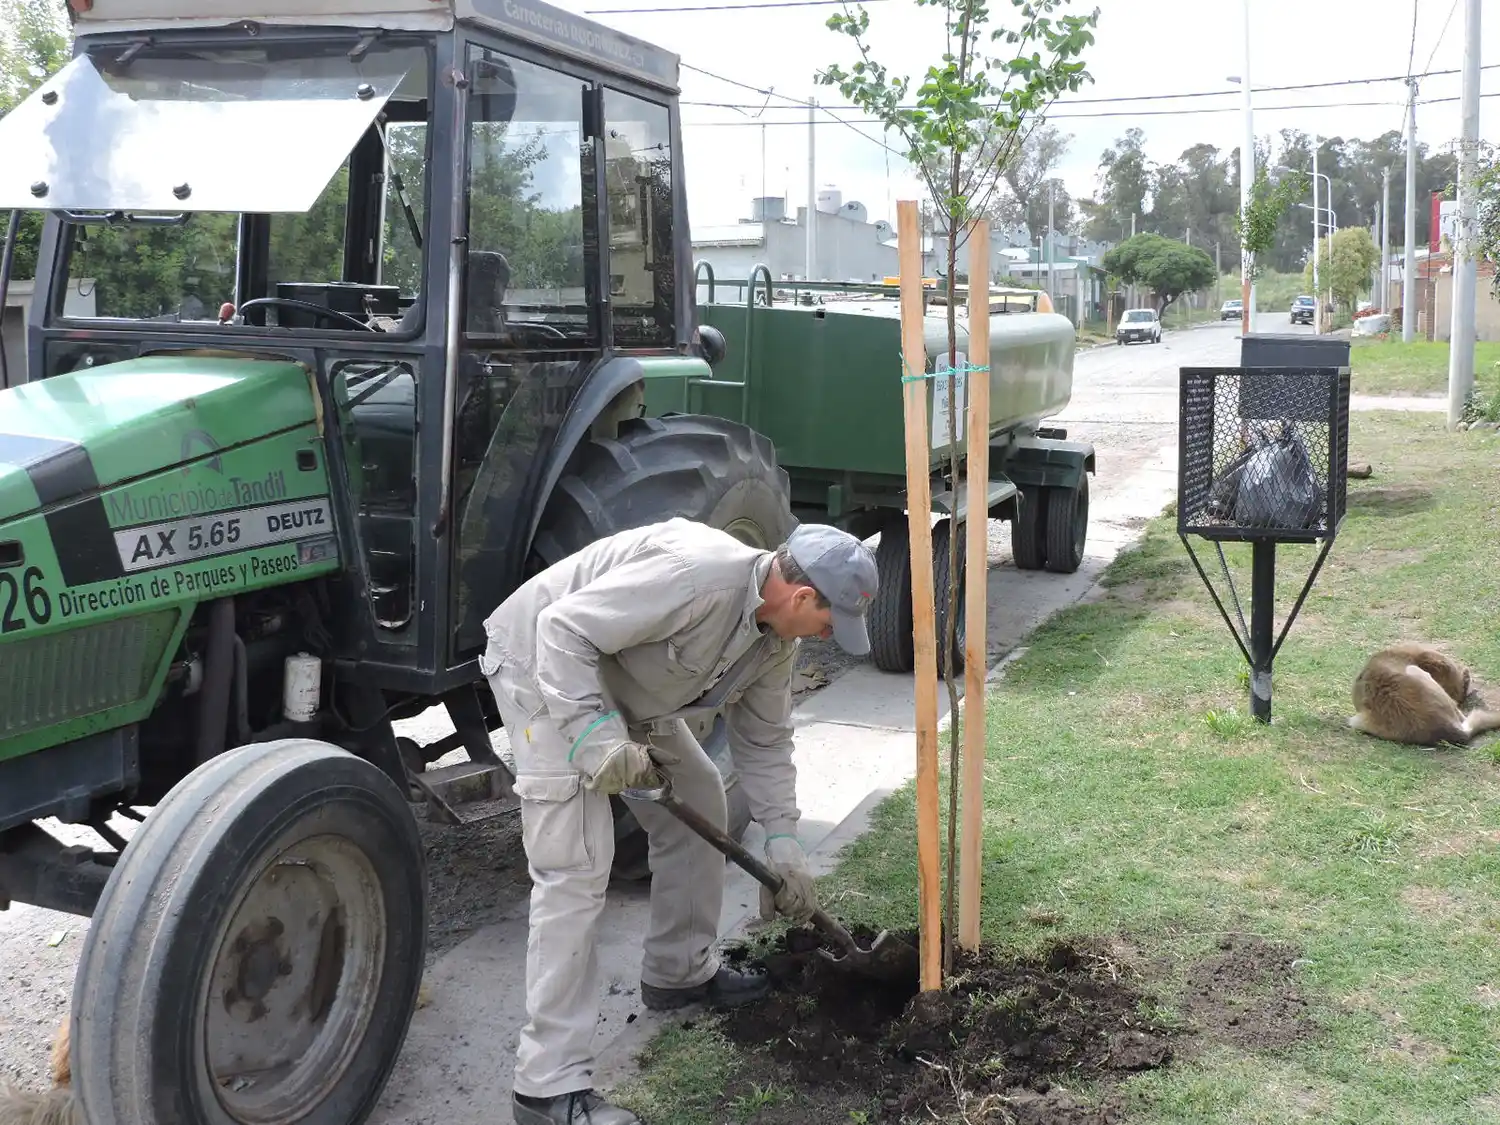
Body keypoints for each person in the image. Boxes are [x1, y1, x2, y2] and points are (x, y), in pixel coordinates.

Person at [480, 517, 879, 1125]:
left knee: (702, 802)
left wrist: (784, 845)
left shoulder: (776, 640)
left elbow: (766, 743)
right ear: (801, 597)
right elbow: (559, 629)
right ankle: (546, 1087)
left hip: (630, 686)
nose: (826, 636)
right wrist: (594, 736)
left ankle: (679, 972)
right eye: (829, 624)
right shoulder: (695, 579)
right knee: (577, 867)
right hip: (544, 669)